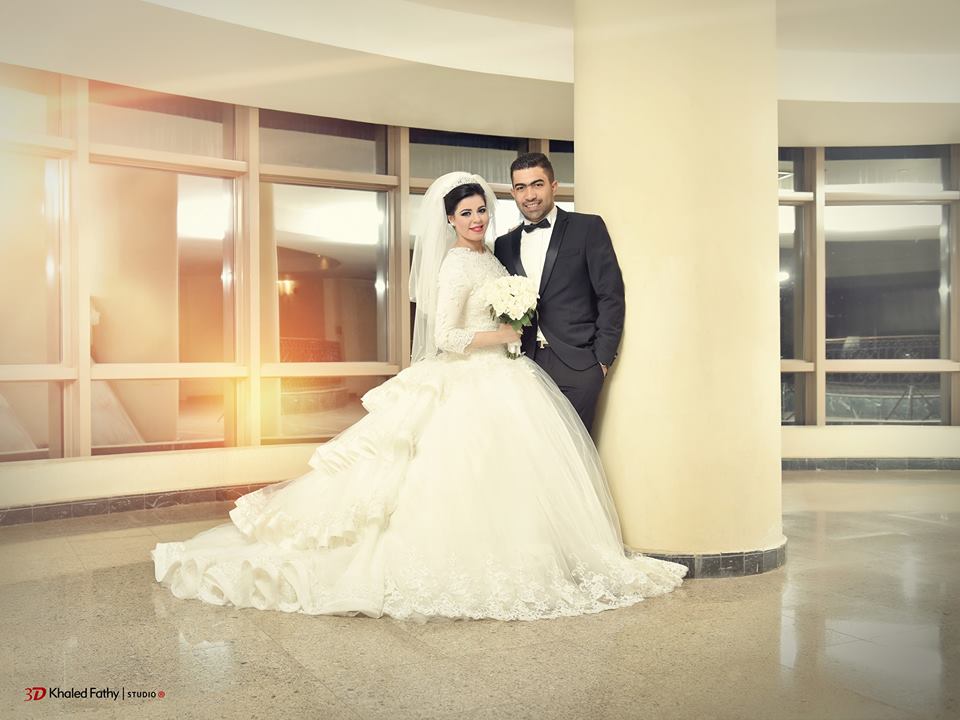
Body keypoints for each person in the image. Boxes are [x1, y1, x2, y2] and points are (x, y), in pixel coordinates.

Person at [152, 172, 685, 621]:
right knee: (457, 475)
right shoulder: (455, 265)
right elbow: (445, 336)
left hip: (511, 375)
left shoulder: (494, 256)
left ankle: (542, 557)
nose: (476, 219)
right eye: (466, 213)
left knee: (517, 475)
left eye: (481, 210)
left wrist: (521, 331)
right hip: (473, 378)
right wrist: (501, 334)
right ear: (449, 220)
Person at [495, 153, 624, 433]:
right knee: (531, 449)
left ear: (554, 186)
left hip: (578, 366)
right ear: (513, 193)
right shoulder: (503, 244)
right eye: (521, 187)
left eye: (537, 184)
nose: (530, 195)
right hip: (525, 365)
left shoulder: (587, 228)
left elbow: (610, 295)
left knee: (574, 451)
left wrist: (601, 361)